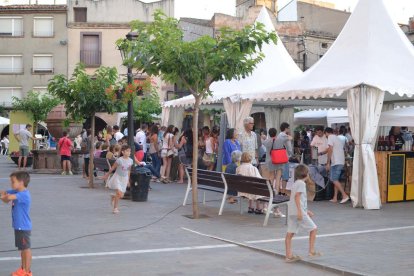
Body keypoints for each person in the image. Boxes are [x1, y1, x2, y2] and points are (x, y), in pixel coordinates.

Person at [285, 164, 320, 263]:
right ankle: (311, 251)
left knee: (290, 233)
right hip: (298, 211)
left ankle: (288, 255)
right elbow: (297, 197)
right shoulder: (301, 184)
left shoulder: (296, 183)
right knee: (313, 229)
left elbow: (298, 199)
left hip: (292, 211)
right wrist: (300, 212)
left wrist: (306, 210)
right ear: (306, 174)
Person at [0, 171, 33, 276]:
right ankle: (23, 269)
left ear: (21, 182)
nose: (11, 184)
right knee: (22, 249)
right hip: (18, 226)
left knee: (26, 249)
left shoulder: (24, 194)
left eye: (13, 182)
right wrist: (3, 195)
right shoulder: (16, 191)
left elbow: (8, 198)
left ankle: (27, 272)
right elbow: (4, 194)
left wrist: (5, 196)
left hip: (23, 227)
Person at [102, 145, 133, 214]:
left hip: (124, 179)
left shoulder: (131, 161)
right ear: (123, 152)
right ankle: (115, 208)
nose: (129, 152)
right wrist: (106, 175)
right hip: (117, 177)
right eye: (127, 151)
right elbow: (112, 168)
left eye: (129, 151)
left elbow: (128, 170)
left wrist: (128, 180)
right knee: (118, 192)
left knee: (121, 195)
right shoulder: (119, 160)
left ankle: (113, 197)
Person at [325, 127, 350, 204]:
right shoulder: (337, 138)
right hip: (340, 161)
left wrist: (328, 162)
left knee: (333, 179)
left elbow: (330, 149)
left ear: (326, 132)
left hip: (336, 162)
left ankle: (344, 195)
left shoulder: (330, 137)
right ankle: (335, 197)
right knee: (336, 180)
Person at [272, 123, 293, 196]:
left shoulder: (278, 136)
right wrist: (290, 154)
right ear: (286, 128)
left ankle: (277, 191)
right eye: (288, 128)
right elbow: (289, 148)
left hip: (278, 158)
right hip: (284, 158)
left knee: (278, 176)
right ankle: (283, 191)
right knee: (285, 176)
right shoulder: (285, 136)